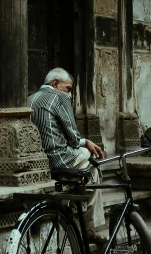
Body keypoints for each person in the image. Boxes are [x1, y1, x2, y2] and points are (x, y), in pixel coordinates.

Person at [28, 67, 107, 244]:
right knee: (92, 162)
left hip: (38, 161)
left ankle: (77, 210)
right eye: (69, 88)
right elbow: (72, 138)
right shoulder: (59, 97)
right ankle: (89, 227)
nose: (69, 95)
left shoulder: (30, 99)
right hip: (58, 159)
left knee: (87, 160)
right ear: (55, 84)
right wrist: (85, 142)